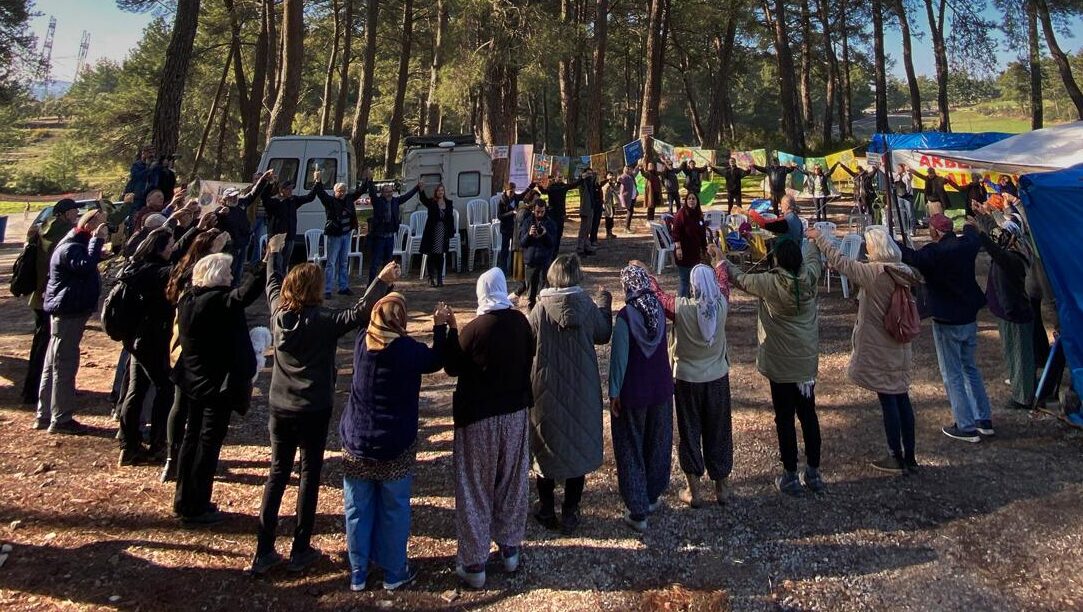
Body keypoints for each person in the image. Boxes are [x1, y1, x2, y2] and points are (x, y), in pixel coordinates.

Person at [250, 236, 397, 575]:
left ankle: (264, 548)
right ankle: (300, 547)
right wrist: (382, 282)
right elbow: (360, 312)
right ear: (316, 290)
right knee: (308, 474)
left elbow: (272, 283)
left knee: (276, 473)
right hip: (313, 407)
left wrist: (272, 254)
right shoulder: (324, 322)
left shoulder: (278, 313)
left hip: (281, 405)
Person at [340, 293, 449, 591]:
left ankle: (358, 571)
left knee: (357, 508)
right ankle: (393, 570)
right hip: (395, 444)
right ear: (401, 321)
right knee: (394, 507)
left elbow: (364, 312)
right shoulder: (406, 351)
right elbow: (436, 359)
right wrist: (440, 326)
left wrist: (382, 285)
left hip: (357, 441)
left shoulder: (362, 343)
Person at [443, 268, 535, 589]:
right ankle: (510, 548)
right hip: (514, 412)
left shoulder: (475, 330)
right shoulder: (520, 323)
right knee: (511, 481)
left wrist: (450, 330)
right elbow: (530, 353)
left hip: (479, 416)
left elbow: (452, 366)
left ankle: (474, 561)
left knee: (475, 486)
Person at [808, 227, 922, 473]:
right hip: (901, 344)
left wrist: (821, 240)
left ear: (875, 248)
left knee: (888, 399)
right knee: (902, 397)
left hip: (881, 345)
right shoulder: (902, 271)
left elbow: (841, 262)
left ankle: (895, 455)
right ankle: (910, 455)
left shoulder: (874, 273)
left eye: (868, 247)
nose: (866, 250)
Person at [172, 252, 266, 525]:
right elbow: (245, 295)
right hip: (216, 385)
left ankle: (185, 499)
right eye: (226, 273)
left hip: (194, 381)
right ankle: (196, 505)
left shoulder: (189, 299)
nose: (230, 277)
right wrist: (264, 262)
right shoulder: (215, 302)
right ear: (214, 276)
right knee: (207, 444)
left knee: (192, 440)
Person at [726, 236, 824, 495]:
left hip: (781, 365)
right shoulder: (810, 276)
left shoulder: (770, 282)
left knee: (785, 417)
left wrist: (719, 261)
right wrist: (812, 240)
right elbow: (814, 259)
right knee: (808, 415)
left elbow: (740, 279)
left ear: (778, 259)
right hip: (805, 363)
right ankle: (813, 471)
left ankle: (790, 474)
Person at [528, 255, 612, 534]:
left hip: (547, 385)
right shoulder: (586, 305)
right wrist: (604, 302)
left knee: (546, 446)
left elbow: (529, 341)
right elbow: (602, 333)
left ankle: (546, 506)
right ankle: (571, 510)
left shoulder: (540, 308)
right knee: (577, 442)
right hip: (581, 384)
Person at [900, 213, 991, 442]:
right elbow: (974, 235)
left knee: (952, 374)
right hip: (968, 315)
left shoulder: (934, 253)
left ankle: (966, 425)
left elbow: (910, 257)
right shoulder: (965, 246)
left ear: (935, 231)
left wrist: (892, 242)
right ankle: (984, 419)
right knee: (970, 367)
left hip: (946, 318)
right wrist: (971, 224)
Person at [160, 226, 229, 482]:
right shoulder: (200, 273)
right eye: (220, 243)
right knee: (190, 408)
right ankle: (179, 459)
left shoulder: (186, 268)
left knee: (181, 404)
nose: (224, 248)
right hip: (194, 348)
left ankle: (174, 459)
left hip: (183, 345)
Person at [607, 264, 672, 532]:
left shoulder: (626, 317)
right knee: (657, 443)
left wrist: (613, 392)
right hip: (661, 388)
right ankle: (653, 493)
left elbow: (619, 359)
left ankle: (637, 508)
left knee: (631, 447)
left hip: (633, 390)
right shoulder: (657, 309)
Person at [35, 209, 110, 434]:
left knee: (53, 363)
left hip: (67, 311)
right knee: (64, 365)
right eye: (100, 226)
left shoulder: (74, 244)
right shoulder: (71, 247)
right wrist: (97, 242)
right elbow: (84, 265)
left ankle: (45, 414)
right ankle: (61, 418)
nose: (103, 231)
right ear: (89, 226)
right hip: (67, 313)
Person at [116, 222, 182, 466]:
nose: (173, 248)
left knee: (136, 390)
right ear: (159, 248)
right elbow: (182, 270)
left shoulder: (137, 267)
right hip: (152, 338)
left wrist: (196, 231)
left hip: (135, 339)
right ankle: (157, 443)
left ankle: (128, 444)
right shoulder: (156, 272)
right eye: (170, 245)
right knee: (164, 389)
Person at [972, 211, 1035, 411]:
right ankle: (1018, 384)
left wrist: (979, 234)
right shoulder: (1012, 248)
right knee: (1012, 353)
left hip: (1014, 311)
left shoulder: (1013, 258)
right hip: (1006, 311)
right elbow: (995, 232)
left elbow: (994, 249)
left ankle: (1023, 396)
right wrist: (981, 217)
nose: (999, 237)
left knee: (1020, 356)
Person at [22, 198, 79, 405]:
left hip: (38, 295)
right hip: (52, 295)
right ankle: (44, 392)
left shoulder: (42, 228)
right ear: (64, 213)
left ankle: (31, 388)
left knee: (41, 343)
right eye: (74, 211)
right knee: (51, 346)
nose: (76, 215)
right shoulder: (64, 231)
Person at [311, 170, 363, 297]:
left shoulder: (349, 199)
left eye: (344, 191)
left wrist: (367, 180)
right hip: (334, 236)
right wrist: (318, 181)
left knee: (344, 262)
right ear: (335, 191)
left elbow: (359, 192)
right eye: (339, 191)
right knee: (331, 263)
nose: (342, 193)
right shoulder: (330, 201)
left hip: (346, 234)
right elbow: (321, 193)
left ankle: (343, 287)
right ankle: (327, 289)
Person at [217, 169, 273, 284]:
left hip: (243, 242)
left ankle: (235, 287)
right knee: (230, 270)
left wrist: (263, 179)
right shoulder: (222, 210)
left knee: (239, 269)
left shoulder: (241, 203)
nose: (234, 198)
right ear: (225, 199)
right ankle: (228, 289)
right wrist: (220, 215)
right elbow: (216, 220)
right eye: (231, 197)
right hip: (230, 246)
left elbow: (254, 193)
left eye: (235, 196)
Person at [366, 176, 419, 285]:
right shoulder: (378, 202)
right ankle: (371, 284)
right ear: (382, 193)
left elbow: (407, 196)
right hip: (379, 236)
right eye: (386, 192)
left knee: (388, 262)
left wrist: (417, 187)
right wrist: (369, 180)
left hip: (390, 236)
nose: (389, 194)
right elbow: (371, 193)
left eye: (390, 191)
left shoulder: (395, 201)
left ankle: (385, 284)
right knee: (375, 262)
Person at [261, 178, 318, 275]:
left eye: (291, 188)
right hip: (277, 238)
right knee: (274, 264)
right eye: (288, 189)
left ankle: (283, 283)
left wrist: (317, 183)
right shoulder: (275, 202)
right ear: (281, 190)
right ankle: (273, 283)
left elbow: (310, 197)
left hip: (290, 237)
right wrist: (270, 183)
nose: (290, 191)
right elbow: (264, 197)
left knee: (285, 263)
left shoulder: (293, 200)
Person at [518, 200, 558, 311]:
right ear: (533, 210)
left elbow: (552, 244)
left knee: (543, 292)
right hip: (530, 261)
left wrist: (545, 234)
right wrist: (529, 234)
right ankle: (530, 313)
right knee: (531, 293)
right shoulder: (527, 222)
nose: (540, 214)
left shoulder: (550, 223)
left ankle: (543, 313)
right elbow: (522, 242)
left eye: (542, 212)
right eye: (537, 212)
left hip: (544, 261)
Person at [418, 183, 456, 287]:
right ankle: (431, 278)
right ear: (436, 192)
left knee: (440, 255)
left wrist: (451, 232)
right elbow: (423, 199)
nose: (440, 192)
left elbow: (450, 218)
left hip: (443, 230)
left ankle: (440, 278)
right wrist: (421, 190)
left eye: (442, 190)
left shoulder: (448, 203)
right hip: (432, 231)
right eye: (439, 190)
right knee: (431, 255)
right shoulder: (432, 202)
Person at [671, 191, 708, 298]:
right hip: (683, 252)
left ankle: (691, 303)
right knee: (685, 280)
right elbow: (676, 233)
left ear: (697, 201)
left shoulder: (699, 215)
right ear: (686, 201)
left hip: (695, 253)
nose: (691, 201)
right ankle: (682, 304)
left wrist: (704, 249)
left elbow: (702, 234)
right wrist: (678, 248)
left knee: (695, 280)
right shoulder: (681, 214)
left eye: (694, 199)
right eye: (689, 199)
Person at [537, 172, 583, 249]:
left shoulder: (564, 187)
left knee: (559, 232)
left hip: (561, 213)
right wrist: (539, 186)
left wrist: (581, 178)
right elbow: (543, 192)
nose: (560, 178)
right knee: (552, 230)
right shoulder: (551, 187)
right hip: (552, 212)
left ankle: (556, 249)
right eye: (559, 177)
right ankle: (551, 247)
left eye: (561, 177)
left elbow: (574, 185)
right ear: (555, 178)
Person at [496, 182, 530, 273]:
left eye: (514, 192)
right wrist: (511, 213)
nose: (512, 194)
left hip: (514, 228)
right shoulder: (502, 201)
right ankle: (503, 269)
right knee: (504, 249)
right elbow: (499, 216)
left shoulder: (516, 197)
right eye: (510, 192)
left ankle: (512, 269)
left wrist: (530, 187)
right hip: (505, 228)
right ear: (506, 191)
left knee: (514, 248)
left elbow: (523, 195)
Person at [124, 144, 159, 212]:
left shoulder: (155, 165)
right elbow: (136, 177)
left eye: (153, 152)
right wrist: (149, 168)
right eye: (149, 152)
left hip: (150, 196)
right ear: (144, 153)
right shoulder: (137, 165)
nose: (152, 155)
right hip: (137, 196)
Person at [576, 168, 601, 256]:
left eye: (591, 174)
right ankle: (580, 248)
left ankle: (586, 246)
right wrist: (583, 176)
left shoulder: (590, 184)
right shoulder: (583, 183)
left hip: (590, 207)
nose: (590, 175)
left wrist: (595, 176)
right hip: (585, 208)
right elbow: (580, 180)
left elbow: (595, 184)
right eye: (588, 174)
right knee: (583, 230)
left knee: (588, 229)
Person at [891, 164, 915, 235]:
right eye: (897, 168)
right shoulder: (896, 175)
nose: (898, 169)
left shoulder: (906, 175)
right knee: (902, 213)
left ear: (903, 168)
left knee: (910, 214)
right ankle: (904, 229)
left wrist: (908, 171)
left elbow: (909, 177)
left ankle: (912, 229)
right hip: (899, 197)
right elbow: (891, 178)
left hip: (907, 196)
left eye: (900, 168)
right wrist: (898, 173)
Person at [618, 164, 638, 232]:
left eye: (631, 169)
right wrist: (618, 180)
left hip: (633, 196)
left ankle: (627, 227)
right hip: (628, 197)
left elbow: (636, 171)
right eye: (630, 169)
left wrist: (639, 165)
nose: (631, 170)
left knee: (631, 211)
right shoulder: (624, 176)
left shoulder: (631, 175)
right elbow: (620, 179)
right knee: (630, 212)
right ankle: (626, 228)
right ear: (627, 169)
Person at [601, 171, 620, 240]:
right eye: (609, 175)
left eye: (612, 175)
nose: (611, 176)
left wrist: (618, 182)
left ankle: (610, 232)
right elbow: (604, 190)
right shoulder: (605, 184)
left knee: (611, 219)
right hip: (606, 204)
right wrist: (609, 183)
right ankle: (608, 233)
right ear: (606, 176)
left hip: (612, 204)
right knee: (608, 219)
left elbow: (617, 189)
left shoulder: (612, 184)